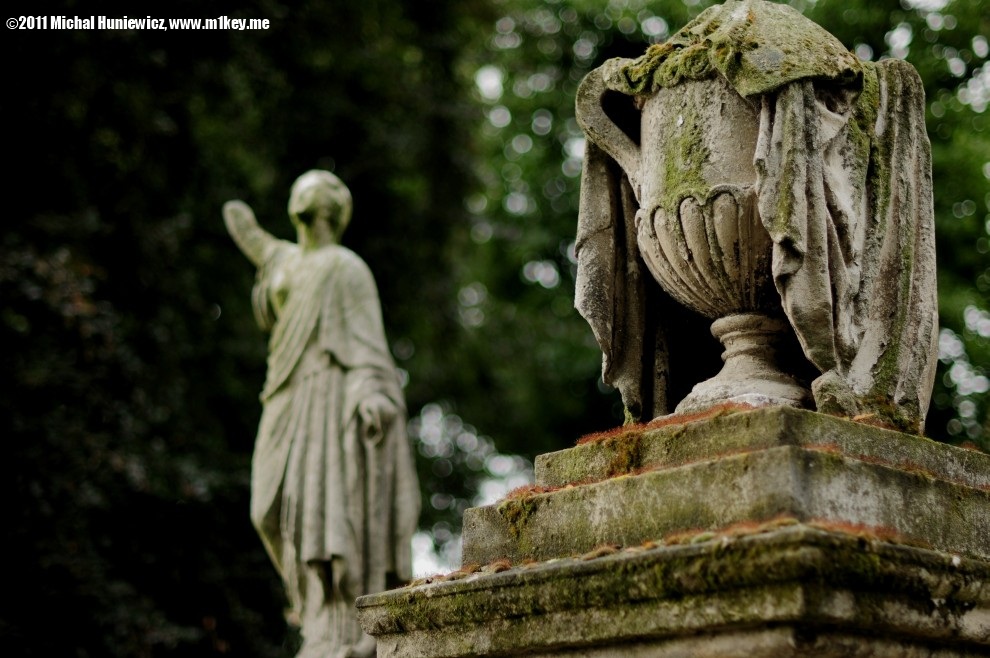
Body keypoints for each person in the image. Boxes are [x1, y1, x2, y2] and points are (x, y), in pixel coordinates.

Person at [224, 170, 420, 658]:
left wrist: (373, 393)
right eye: (302, 187)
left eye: (318, 188)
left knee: (323, 510)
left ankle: (334, 626)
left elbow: (369, 348)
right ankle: (309, 607)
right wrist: (242, 220)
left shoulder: (346, 268)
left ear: (334, 207)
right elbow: (253, 239)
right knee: (266, 510)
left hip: (330, 394)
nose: (308, 193)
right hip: (285, 395)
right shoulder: (286, 261)